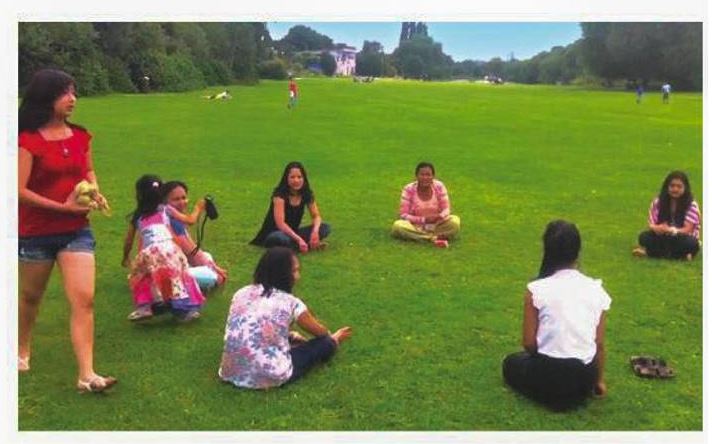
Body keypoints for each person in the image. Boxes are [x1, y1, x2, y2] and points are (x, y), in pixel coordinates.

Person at [18, 68, 117, 392]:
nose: (72, 99)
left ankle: (86, 375)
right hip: (36, 232)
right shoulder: (27, 140)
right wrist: (63, 207)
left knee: (84, 299)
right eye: (64, 93)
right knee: (31, 297)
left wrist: (95, 192)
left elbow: (88, 170)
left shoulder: (80, 136)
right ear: (46, 97)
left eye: (74, 92)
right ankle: (21, 348)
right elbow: (18, 191)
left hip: (76, 231)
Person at [502, 220, 610, 411]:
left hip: (549, 377)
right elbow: (599, 344)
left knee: (510, 363)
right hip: (584, 377)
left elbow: (529, 343)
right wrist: (599, 381)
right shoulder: (595, 289)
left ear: (547, 249)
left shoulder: (536, 289)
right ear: (578, 250)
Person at [219, 247, 352, 389]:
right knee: (325, 342)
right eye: (295, 271)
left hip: (230, 371)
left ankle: (291, 341)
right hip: (271, 374)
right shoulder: (291, 303)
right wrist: (332, 338)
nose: (298, 276)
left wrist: (290, 336)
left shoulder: (241, 293)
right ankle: (334, 341)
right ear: (283, 274)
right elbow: (320, 332)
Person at [121, 175, 206, 322]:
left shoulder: (137, 216)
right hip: (170, 250)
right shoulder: (166, 209)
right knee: (176, 277)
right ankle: (183, 312)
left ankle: (144, 308)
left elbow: (128, 241)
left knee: (140, 277)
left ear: (139, 195)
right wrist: (198, 208)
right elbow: (190, 221)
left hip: (149, 252)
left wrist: (126, 256)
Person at [250, 161, 330, 252]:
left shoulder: (306, 194)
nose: (296, 180)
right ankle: (302, 244)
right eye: (292, 177)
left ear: (304, 178)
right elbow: (280, 224)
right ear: (286, 179)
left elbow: (316, 216)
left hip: (293, 233)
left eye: (299, 177)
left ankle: (299, 244)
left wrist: (315, 232)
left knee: (325, 228)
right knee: (280, 238)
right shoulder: (279, 196)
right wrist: (299, 239)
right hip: (276, 233)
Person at [162, 180, 228, 290]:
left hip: (171, 263)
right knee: (213, 277)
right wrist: (215, 270)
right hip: (168, 271)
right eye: (176, 199)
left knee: (206, 256)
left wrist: (213, 266)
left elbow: (192, 248)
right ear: (165, 202)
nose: (182, 202)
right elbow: (192, 252)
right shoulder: (170, 221)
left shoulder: (169, 218)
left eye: (183, 198)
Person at [633, 171, 700, 260]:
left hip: (681, 237)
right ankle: (680, 256)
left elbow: (688, 229)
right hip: (662, 236)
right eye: (672, 186)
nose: (675, 189)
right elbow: (651, 225)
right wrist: (657, 228)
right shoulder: (658, 202)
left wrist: (672, 230)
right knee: (644, 237)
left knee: (691, 243)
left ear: (685, 188)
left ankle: (650, 253)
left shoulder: (691, 205)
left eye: (679, 186)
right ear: (667, 187)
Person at [391, 162, 460, 248]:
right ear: (416, 176)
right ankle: (432, 238)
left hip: (437, 225)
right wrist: (424, 220)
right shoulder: (408, 189)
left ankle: (423, 237)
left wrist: (439, 216)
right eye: (422, 175)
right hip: (415, 226)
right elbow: (403, 215)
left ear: (433, 176)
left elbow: (446, 209)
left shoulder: (439, 186)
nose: (425, 178)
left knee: (455, 221)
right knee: (398, 226)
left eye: (428, 175)